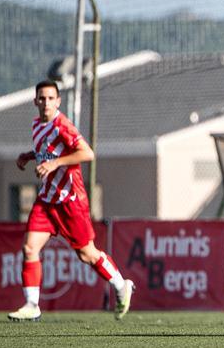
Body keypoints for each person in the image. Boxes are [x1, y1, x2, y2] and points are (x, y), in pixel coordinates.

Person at [8, 80, 134, 321]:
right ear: (35, 101)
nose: (46, 103)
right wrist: (30, 155)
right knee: (29, 248)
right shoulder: (37, 125)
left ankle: (120, 286)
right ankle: (32, 305)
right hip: (46, 201)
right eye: (42, 98)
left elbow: (87, 153)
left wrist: (54, 163)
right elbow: (48, 150)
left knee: (87, 254)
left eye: (50, 98)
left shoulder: (62, 125)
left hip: (70, 201)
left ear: (58, 101)